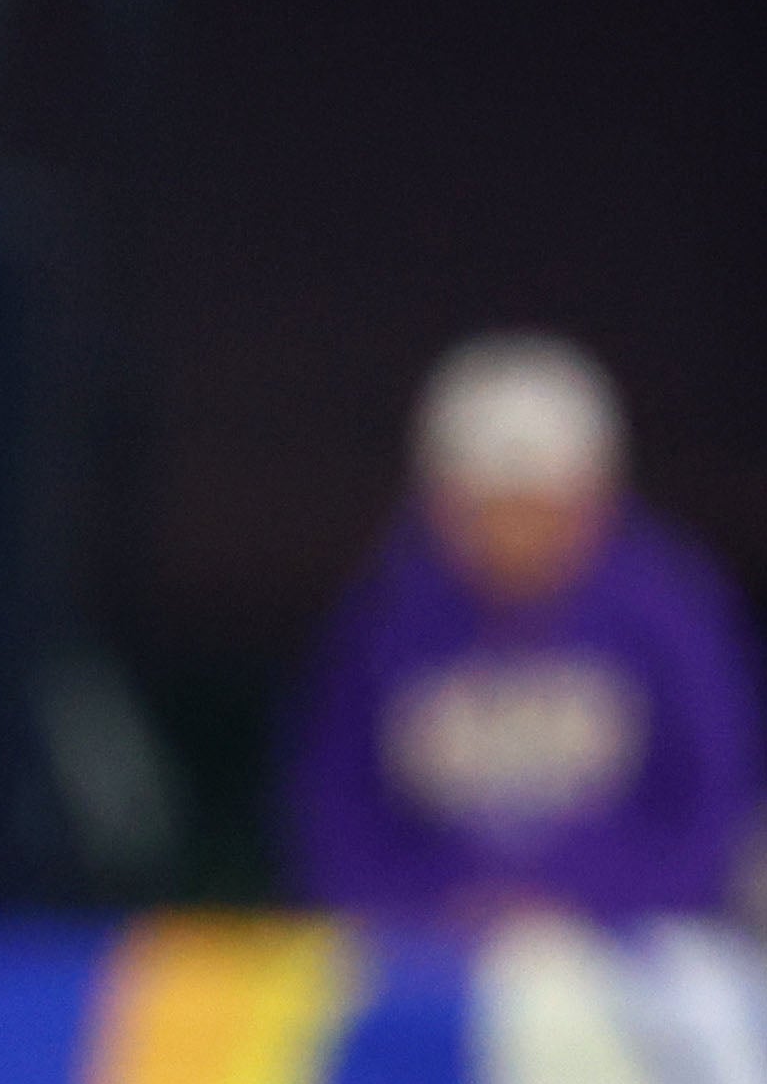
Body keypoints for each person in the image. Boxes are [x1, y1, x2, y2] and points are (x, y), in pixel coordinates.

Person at [291, 334, 763, 930]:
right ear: (440, 508)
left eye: (543, 511)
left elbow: (715, 814)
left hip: (637, 949)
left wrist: (589, 905)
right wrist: (437, 909)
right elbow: (337, 816)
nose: (517, 538)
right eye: (491, 511)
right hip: (431, 953)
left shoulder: (669, 608)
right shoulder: (388, 613)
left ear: (597, 504)